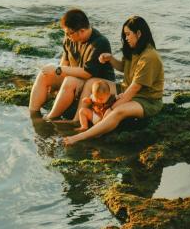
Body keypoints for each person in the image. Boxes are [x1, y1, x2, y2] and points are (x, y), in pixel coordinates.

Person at [62, 15, 164, 146]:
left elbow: (134, 89)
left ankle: (82, 136)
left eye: (128, 34)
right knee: (92, 83)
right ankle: (78, 121)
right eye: (125, 35)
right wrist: (111, 59)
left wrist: (111, 107)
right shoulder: (135, 50)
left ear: (139, 33)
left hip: (146, 99)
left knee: (117, 111)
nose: (126, 38)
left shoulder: (149, 57)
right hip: (125, 88)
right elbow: (124, 68)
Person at [28, 8, 116, 119]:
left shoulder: (100, 42)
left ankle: (50, 118)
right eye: (66, 33)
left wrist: (58, 70)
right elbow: (65, 61)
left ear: (82, 31)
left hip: (98, 83)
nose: (67, 36)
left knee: (69, 81)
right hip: (78, 77)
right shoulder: (70, 38)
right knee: (45, 74)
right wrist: (56, 78)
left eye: (70, 34)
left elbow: (87, 73)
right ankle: (33, 113)